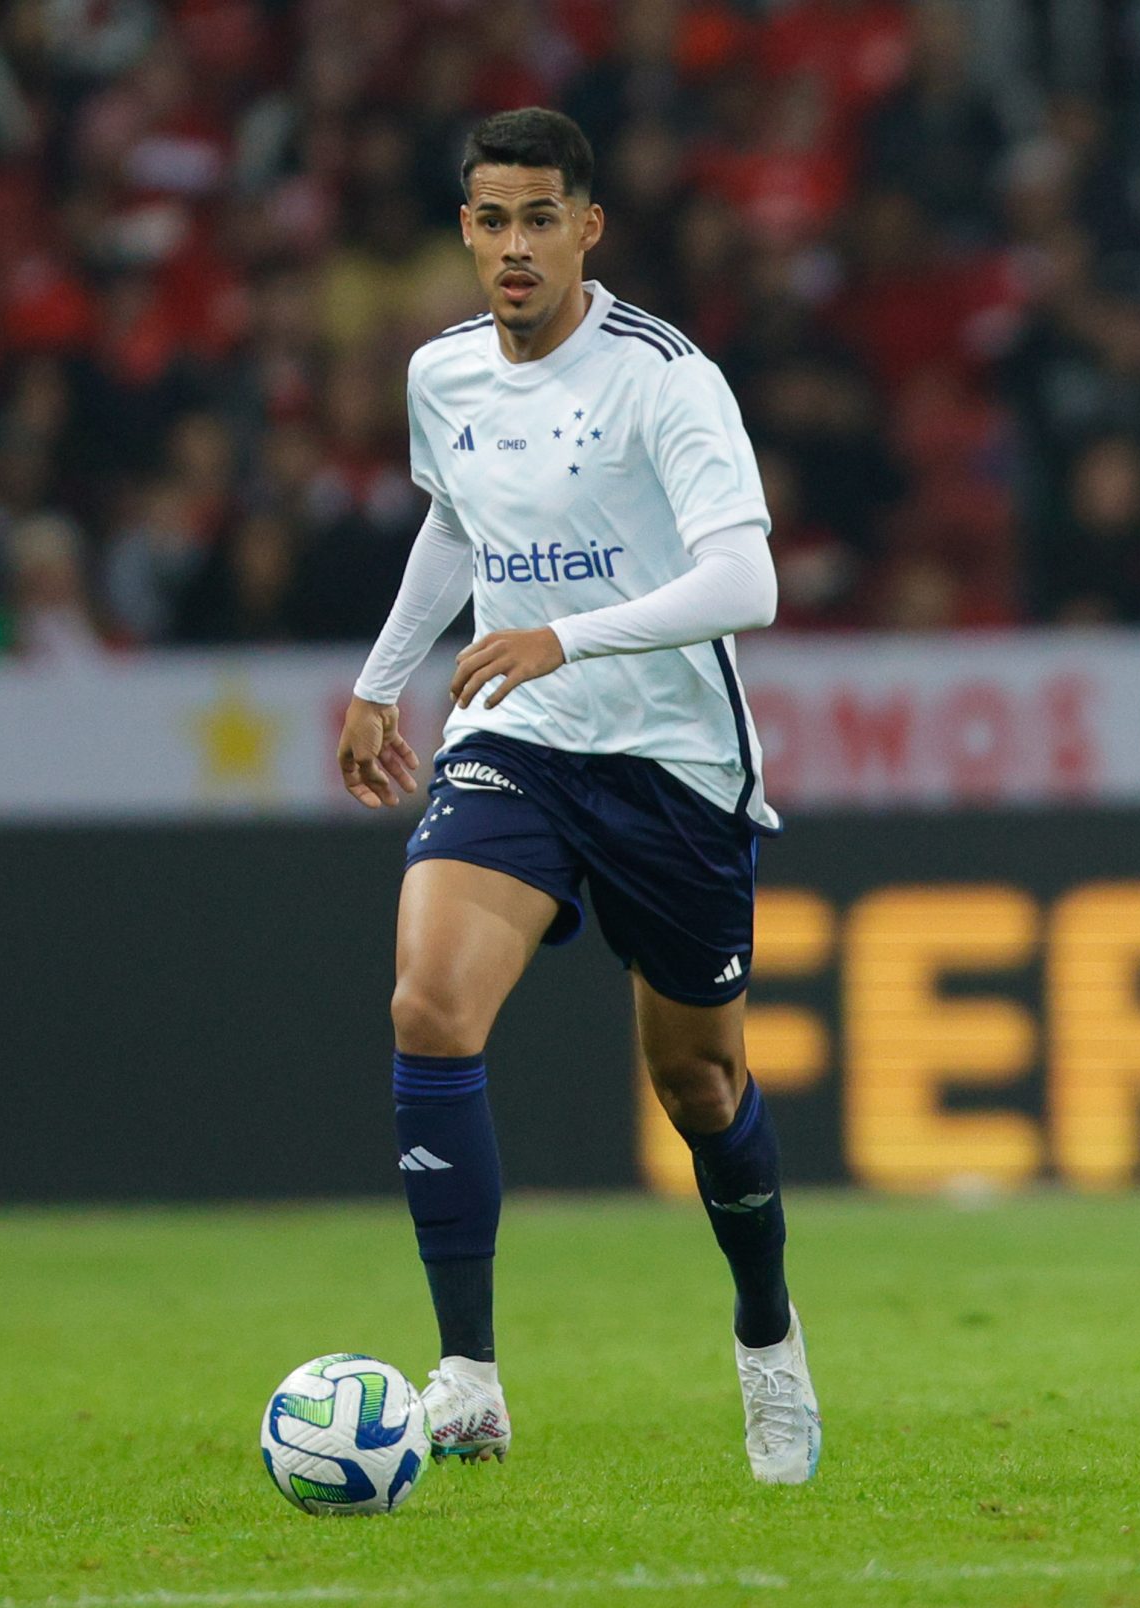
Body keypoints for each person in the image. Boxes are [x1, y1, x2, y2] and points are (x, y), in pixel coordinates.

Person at [335, 108, 820, 1485]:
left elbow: (748, 584)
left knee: (701, 1082)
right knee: (428, 1001)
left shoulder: (666, 377)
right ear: (466, 231)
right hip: (520, 741)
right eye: (490, 220)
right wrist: (383, 679)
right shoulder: (442, 376)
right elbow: (456, 520)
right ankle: (469, 1376)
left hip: (674, 767)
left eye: (540, 218)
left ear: (587, 229)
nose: (513, 247)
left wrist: (566, 633)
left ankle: (768, 1335)